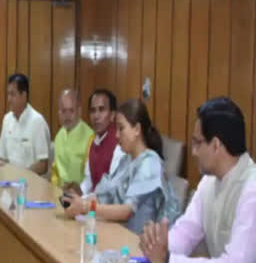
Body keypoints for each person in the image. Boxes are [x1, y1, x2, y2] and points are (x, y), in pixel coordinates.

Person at [140, 98, 256, 263]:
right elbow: (186, 234)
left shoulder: (255, 189)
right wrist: (159, 244)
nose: (193, 152)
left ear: (216, 145)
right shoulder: (209, 182)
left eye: (198, 143)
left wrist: (169, 261)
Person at [63, 99, 179, 234]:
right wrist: (77, 202)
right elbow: (104, 195)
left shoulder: (150, 163)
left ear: (137, 129)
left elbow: (126, 211)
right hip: (117, 233)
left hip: (138, 244)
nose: (117, 135)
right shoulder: (126, 160)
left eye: (121, 128)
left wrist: (85, 206)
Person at [0, 73, 51, 175]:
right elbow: (1, 156)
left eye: (13, 94)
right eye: (8, 94)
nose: (9, 99)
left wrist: (22, 176)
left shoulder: (37, 121)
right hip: (9, 182)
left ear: (24, 96)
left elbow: (43, 165)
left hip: (32, 184)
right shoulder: (7, 119)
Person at [75, 89, 125, 195]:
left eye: (101, 110)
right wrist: (76, 192)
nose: (96, 116)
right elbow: (88, 181)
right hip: (92, 206)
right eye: (93, 111)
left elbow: (112, 191)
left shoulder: (119, 144)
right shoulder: (94, 141)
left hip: (107, 207)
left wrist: (84, 203)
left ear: (112, 115)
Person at [51, 89, 94, 186]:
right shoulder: (59, 135)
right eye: (63, 111)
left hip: (81, 196)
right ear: (58, 113)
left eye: (71, 110)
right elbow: (55, 171)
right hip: (59, 194)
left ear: (79, 111)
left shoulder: (90, 137)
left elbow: (92, 178)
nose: (67, 116)